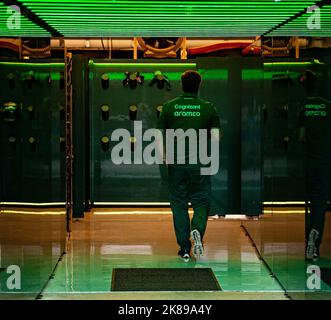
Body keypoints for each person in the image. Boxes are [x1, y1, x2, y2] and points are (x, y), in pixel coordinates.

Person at [156, 70, 221, 261]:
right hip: (199, 164)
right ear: (199, 85)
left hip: (176, 164)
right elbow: (217, 137)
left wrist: (165, 157)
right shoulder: (208, 108)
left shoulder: (169, 107)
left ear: (182, 84)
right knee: (201, 202)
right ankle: (197, 230)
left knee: (179, 204)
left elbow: (158, 136)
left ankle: (184, 248)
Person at [298, 69, 331, 261]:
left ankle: (310, 238)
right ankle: (315, 239)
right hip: (325, 161)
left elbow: (301, 136)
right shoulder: (328, 106)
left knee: (310, 202)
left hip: (310, 162)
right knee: (319, 204)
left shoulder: (304, 109)